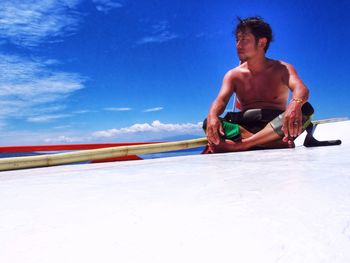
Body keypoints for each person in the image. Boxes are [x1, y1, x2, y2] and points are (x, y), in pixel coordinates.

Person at [204, 16, 313, 153]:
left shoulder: (282, 68)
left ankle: (244, 144)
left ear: (261, 42)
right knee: (208, 122)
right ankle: (272, 144)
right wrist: (212, 116)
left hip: (277, 125)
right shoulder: (233, 75)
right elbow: (221, 100)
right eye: (237, 40)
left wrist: (295, 104)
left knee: (305, 110)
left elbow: (300, 88)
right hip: (246, 127)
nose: (238, 45)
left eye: (244, 40)